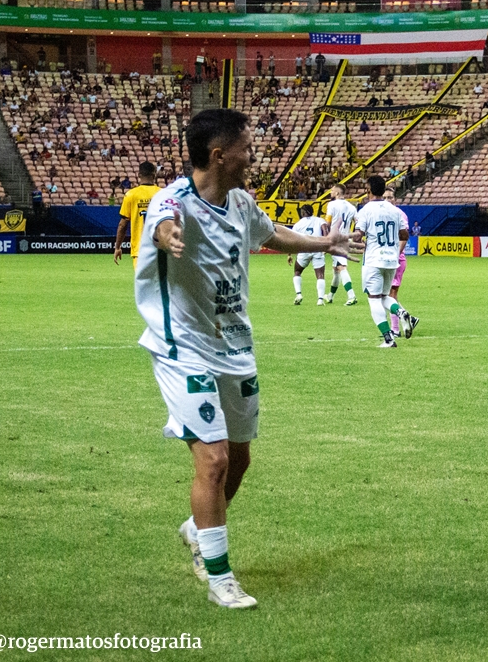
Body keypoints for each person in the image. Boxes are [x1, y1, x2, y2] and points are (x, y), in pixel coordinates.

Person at [136, 108, 360, 609]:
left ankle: (197, 528)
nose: (253, 157)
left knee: (239, 460)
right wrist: (167, 234)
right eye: (247, 149)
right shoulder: (172, 200)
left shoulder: (239, 202)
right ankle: (220, 578)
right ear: (219, 155)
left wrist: (326, 242)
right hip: (182, 347)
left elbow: (271, 234)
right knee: (213, 459)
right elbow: (163, 224)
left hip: (235, 346)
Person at [352, 176, 419, 347]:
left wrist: (349, 238)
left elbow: (358, 236)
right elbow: (404, 234)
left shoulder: (366, 210)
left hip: (374, 260)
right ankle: (402, 313)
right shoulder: (395, 211)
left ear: (368, 190)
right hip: (391, 260)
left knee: (374, 299)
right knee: (384, 297)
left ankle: (389, 339)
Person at [114, 161, 160, 268]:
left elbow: (122, 225)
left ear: (139, 175)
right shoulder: (163, 193)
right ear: (154, 175)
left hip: (140, 250)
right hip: (160, 249)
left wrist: (117, 247)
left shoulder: (131, 195)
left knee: (143, 279)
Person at [324, 183, 359, 305]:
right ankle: (330, 296)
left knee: (341, 267)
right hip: (346, 239)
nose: (330, 192)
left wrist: (325, 238)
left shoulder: (332, 204)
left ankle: (351, 296)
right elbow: (358, 222)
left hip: (335, 239)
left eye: (332, 190)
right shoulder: (352, 207)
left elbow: (327, 223)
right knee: (336, 269)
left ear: (337, 193)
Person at [383, 187, 410, 335]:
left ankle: (395, 329)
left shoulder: (400, 214)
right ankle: (407, 318)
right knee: (387, 294)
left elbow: (403, 237)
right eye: (385, 197)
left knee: (390, 294)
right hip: (384, 259)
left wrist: (395, 255)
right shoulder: (381, 214)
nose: (387, 200)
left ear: (395, 199)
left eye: (390, 197)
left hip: (396, 260)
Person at [289, 205, 329, 305]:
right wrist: (326, 245)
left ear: (303, 213)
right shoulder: (319, 220)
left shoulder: (298, 224)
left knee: (297, 271)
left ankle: (299, 294)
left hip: (304, 250)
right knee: (320, 275)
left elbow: (291, 239)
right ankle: (320, 299)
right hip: (317, 249)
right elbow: (325, 231)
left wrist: (289, 254)